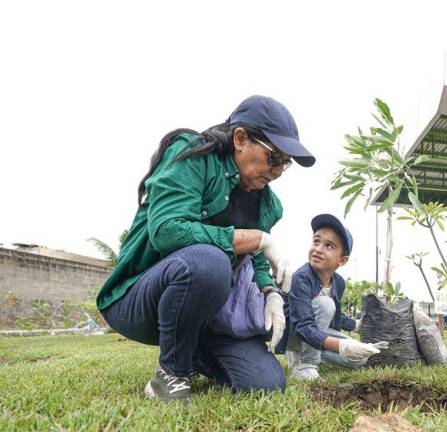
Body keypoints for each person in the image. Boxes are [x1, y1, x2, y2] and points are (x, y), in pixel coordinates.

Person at [97, 95, 315, 403]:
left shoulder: (268, 204)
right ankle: (171, 373)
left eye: (286, 163)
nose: (278, 170)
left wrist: (271, 293)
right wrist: (256, 239)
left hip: (210, 315)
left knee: (265, 383)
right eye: (275, 156)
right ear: (240, 138)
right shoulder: (192, 155)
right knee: (209, 261)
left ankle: (191, 354)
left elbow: (257, 260)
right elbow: (166, 231)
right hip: (139, 299)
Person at [278, 214, 382, 380]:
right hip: (295, 332)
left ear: (342, 260)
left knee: (360, 358)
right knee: (326, 305)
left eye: (329, 246)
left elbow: (334, 316)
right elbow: (303, 325)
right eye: (316, 241)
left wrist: (356, 325)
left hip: (316, 332)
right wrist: (340, 345)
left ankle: (302, 356)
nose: (318, 249)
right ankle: (305, 366)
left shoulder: (338, 283)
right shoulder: (301, 278)